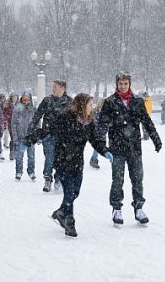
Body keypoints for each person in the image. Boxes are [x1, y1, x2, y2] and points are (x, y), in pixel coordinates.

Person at [34, 93, 111, 237]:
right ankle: (69, 222)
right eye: (89, 105)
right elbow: (49, 130)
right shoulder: (66, 118)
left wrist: (104, 150)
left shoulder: (89, 122)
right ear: (82, 105)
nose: (92, 108)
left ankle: (60, 212)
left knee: (75, 192)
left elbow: (95, 140)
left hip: (77, 162)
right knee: (69, 192)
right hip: (63, 161)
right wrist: (33, 137)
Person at [99, 72, 162, 225]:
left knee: (137, 179)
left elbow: (147, 122)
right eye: (120, 84)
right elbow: (102, 124)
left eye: (125, 84)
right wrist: (101, 143)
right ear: (117, 84)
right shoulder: (109, 102)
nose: (123, 86)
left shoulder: (137, 102)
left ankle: (139, 207)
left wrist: (156, 139)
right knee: (117, 180)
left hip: (134, 147)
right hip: (117, 147)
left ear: (129, 84)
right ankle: (117, 208)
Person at [28, 79, 72, 193]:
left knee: (61, 159)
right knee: (49, 158)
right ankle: (47, 178)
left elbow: (75, 119)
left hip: (64, 137)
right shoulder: (47, 100)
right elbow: (37, 115)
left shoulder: (70, 102)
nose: (53, 89)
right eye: (53, 87)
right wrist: (32, 128)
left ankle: (58, 178)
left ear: (63, 88)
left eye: (55, 87)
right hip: (48, 135)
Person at [11, 91, 37, 181]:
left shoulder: (33, 109)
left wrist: (37, 135)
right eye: (24, 99)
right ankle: (18, 171)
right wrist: (15, 137)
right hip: (20, 137)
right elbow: (13, 124)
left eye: (27, 99)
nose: (26, 101)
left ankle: (31, 171)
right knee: (19, 156)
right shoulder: (17, 109)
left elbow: (37, 122)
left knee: (31, 156)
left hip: (30, 137)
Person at [89, 99, 105, 169]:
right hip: (96, 132)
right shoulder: (95, 111)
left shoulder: (105, 112)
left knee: (99, 146)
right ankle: (94, 159)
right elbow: (94, 122)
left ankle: (93, 159)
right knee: (98, 146)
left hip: (102, 132)